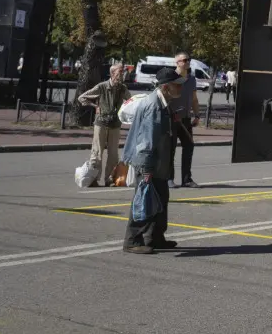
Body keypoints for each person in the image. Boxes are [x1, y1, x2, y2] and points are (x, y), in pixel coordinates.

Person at [121, 67, 183, 254]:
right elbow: (146, 141)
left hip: (159, 163)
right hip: (149, 163)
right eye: (176, 85)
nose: (180, 88)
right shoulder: (154, 106)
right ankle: (132, 241)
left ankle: (154, 237)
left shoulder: (163, 102)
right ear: (165, 87)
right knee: (144, 201)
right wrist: (147, 168)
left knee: (161, 199)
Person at [77, 62, 132, 187]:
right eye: (120, 72)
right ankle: (93, 179)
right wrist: (95, 106)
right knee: (97, 152)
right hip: (101, 123)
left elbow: (130, 101)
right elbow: (82, 98)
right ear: (113, 73)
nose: (122, 74)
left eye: (123, 72)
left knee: (113, 154)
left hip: (115, 124)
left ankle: (109, 179)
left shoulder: (122, 88)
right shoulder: (102, 87)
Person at [168, 53, 200, 188]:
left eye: (189, 60)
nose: (187, 62)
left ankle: (187, 179)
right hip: (172, 119)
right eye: (185, 60)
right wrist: (169, 113)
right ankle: (168, 178)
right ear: (177, 63)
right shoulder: (170, 78)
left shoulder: (192, 79)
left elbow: (194, 98)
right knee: (170, 149)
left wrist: (197, 115)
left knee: (189, 146)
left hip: (186, 119)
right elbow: (164, 98)